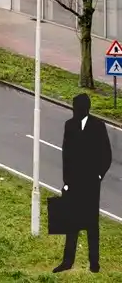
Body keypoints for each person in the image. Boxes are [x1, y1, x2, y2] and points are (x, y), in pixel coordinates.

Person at [57, 91, 112, 271]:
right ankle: (67, 261)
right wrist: (66, 181)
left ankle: (94, 263)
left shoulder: (98, 126)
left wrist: (98, 175)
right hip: (73, 183)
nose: (74, 110)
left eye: (76, 107)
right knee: (71, 222)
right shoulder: (69, 126)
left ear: (84, 109)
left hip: (90, 184)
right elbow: (66, 154)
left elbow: (107, 154)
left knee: (91, 223)